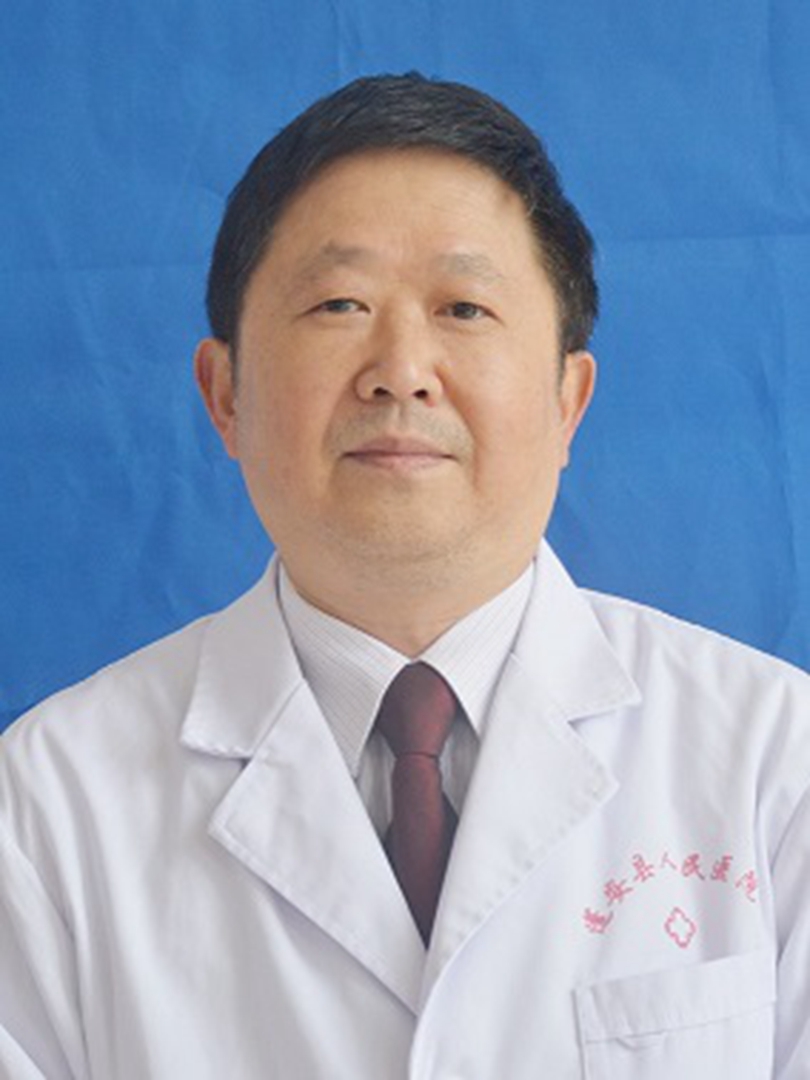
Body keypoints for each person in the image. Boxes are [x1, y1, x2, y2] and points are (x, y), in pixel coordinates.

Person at [1, 73, 808, 1080]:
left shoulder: (777, 761)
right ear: (225, 393)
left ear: (568, 401)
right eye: (339, 303)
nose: (402, 371)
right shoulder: (46, 804)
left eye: (465, 307)